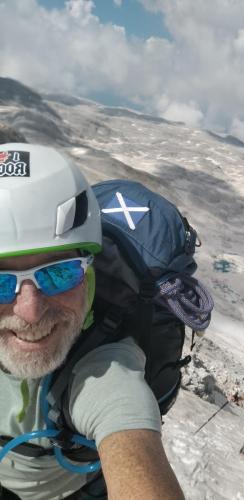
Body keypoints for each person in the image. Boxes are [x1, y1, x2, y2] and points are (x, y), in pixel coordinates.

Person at [0, 143, 185, 500]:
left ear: (91, 275)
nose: (30, 311)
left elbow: (124, 421)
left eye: (61, 273)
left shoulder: (105, 368)